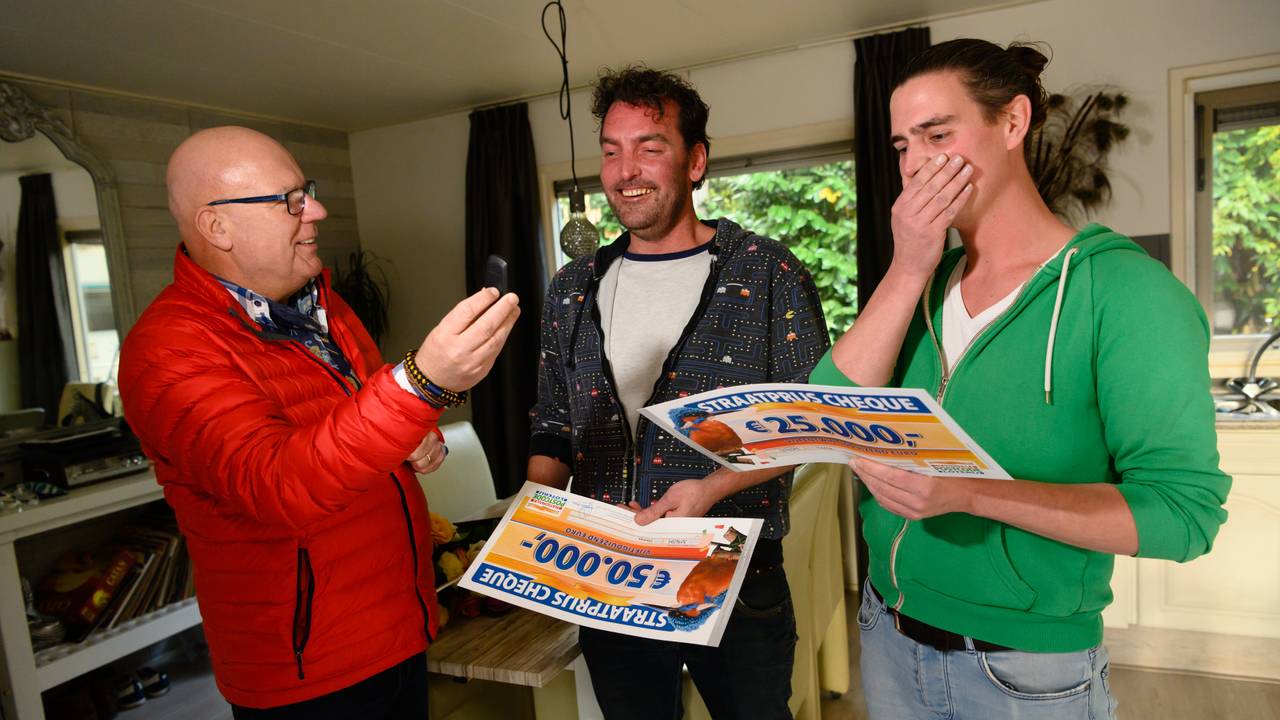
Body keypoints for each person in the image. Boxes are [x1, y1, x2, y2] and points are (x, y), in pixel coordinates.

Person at [809, 39, 1231, 719]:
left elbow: (1184, 516)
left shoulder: (1127, 294)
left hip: (1025, 672)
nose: (915, 165)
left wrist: (971, 495)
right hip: (885, 635)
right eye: (900, 147)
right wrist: (911, 264)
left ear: (1012, 122)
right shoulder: (923, 285)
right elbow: (828, 411)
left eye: (937, 135)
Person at [118, 126, 520, 718]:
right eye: (290, 200)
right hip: (309, 667)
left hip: (398, 625)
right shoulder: (167, 349)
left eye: (305, 191)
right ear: (217, 227)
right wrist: (422, 383)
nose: (318, 211)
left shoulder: (321, 303)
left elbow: (367, 409)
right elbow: (279, 484)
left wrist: (421, 433)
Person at [527, 66, 829, 719]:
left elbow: (809, 424)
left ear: (695, 161)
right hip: (610, 575)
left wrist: (711, 490)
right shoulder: (572, 289)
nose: (624, 170)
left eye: (649, 147)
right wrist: (534, 511)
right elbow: (553, 422)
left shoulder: (768, 271)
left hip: (734, 567)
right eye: (611, 150)